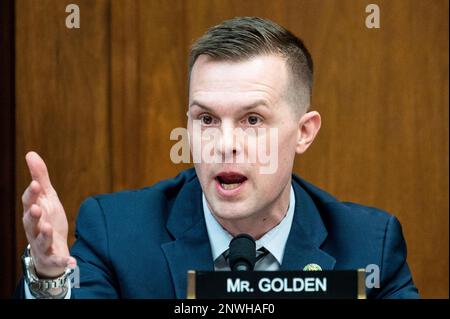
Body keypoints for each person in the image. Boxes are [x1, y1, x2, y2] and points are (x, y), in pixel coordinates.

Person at [16, 17, 419, 299]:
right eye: (206, 118)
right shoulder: (116, 233)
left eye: (252, 120)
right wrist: (50, 276)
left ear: (304, 132)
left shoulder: (369, 246)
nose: (224, 143)